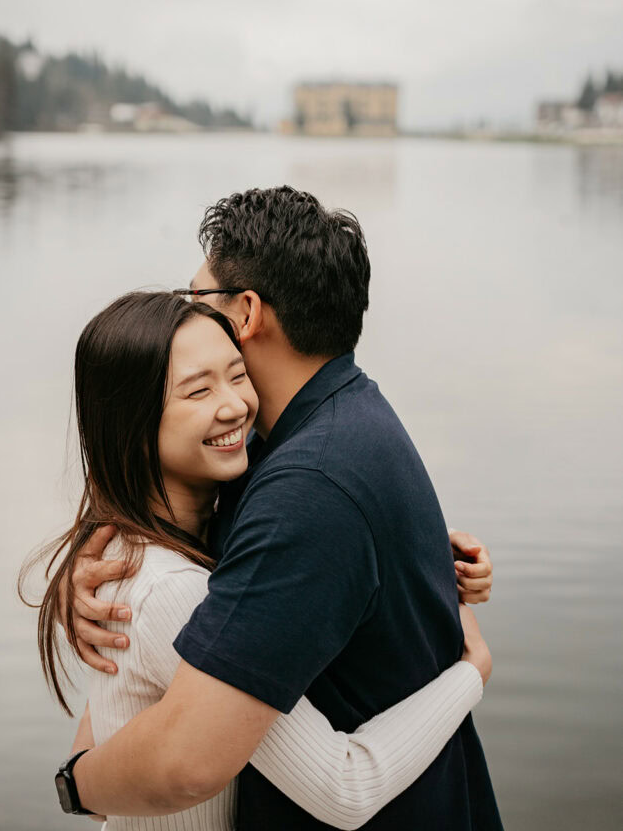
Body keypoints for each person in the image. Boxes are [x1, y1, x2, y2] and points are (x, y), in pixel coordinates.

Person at [65, 187, 502, 829]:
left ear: (245, 312)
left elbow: (192, 759)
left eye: (197, 297)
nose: (190, 312)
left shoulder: (310, 484)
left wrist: (73, 783)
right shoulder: (330, 427)